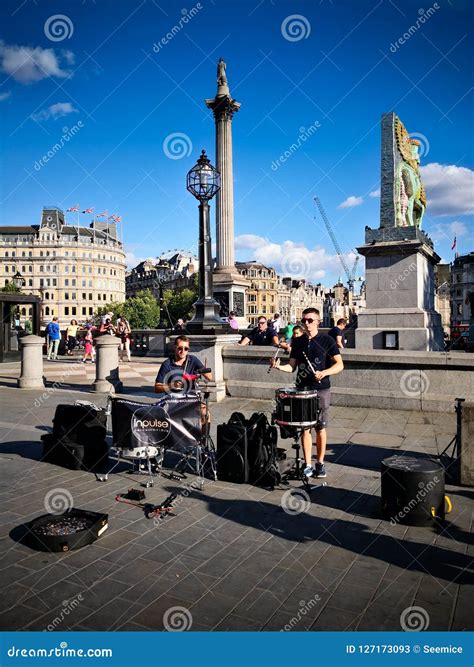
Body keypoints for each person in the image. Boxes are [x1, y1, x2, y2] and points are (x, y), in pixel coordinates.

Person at [270, 307, 343, 479]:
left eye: (310, 320)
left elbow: (340, 364)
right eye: (304, 321)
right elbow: (292, 366)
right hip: (303, 389)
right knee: (305, 428)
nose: (306, 323)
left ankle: (320, 463)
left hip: (321, 388)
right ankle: (308, 464)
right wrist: (278, 366)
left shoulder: (327, 340)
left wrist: (324, 372)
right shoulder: (298, 342)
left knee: (320, 427)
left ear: (318, 321)